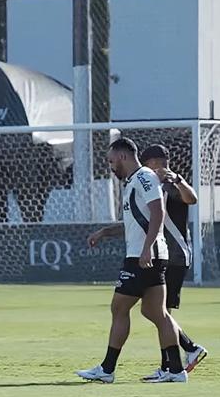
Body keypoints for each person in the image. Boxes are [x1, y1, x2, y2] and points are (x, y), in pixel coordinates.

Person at [88, 144, 207, 379]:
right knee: (156, 311)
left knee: (122, 308)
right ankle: (175, 367)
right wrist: (104, 232)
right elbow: (137, 221)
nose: (111, 167)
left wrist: (146, 249)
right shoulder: (140, 181)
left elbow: (163, 210)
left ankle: (108, 369)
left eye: (112, 162)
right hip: (157, 254)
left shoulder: (147, 179)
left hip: (158, 255)